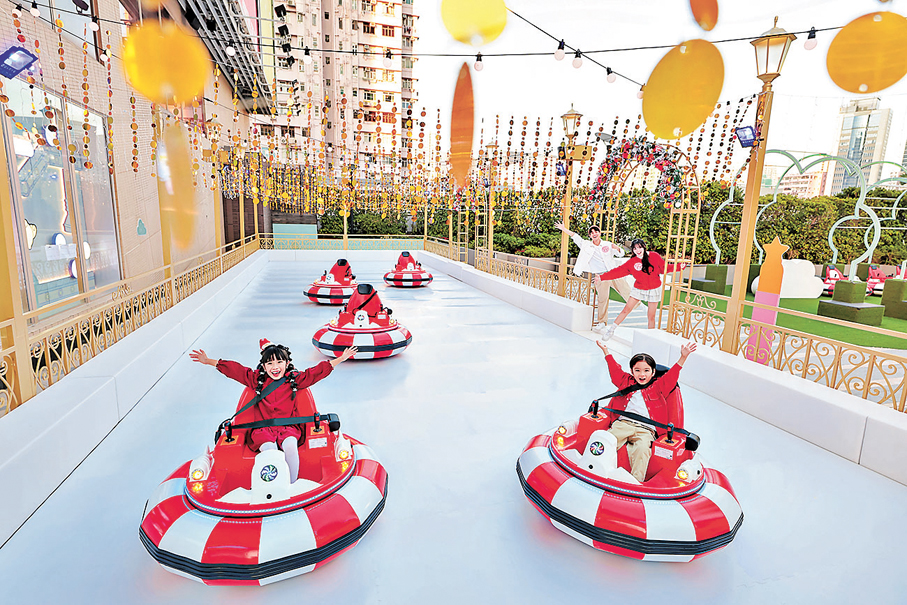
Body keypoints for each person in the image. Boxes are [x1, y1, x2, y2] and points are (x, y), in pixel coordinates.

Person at [190, 339, 358, 484]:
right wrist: (209, 361)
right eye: (270, 363)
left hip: (288, 428)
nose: (275, 367)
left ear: (286, 364)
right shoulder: (257, 380)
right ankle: (270, 485)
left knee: (290, 447)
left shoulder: (294, 380)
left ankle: (292, 484)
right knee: (269, 450)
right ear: (263, 366)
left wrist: (340, 359)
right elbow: (236, 370)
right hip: (263, 430)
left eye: (279, 362)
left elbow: (315, 373)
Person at [596, 339, 697, 482]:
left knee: (643, 450)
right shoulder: (626, 381)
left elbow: (672, 376)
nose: (641, 374)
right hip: (623, 424)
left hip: (646, 430)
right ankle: (596, 468)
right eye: (637, 370)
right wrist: (606, 352)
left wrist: (683, 357)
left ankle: (634, 482)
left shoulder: (658, 386)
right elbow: (614, 370)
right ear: (632, 371)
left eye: (646, 370)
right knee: (606, 440)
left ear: (653, 372)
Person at [554, 222, 631, 333]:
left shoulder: (607, 244)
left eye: (596, 231)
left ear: (600, 233)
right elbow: (575, 236)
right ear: (590, 236)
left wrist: (618, 249)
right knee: (602, 299)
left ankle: (638, 304)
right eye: (592, 232)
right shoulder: (586, 245)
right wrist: (564, 229)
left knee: (625, 288)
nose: (594, 234)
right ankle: (601, 322)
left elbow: (621, 254)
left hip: (612, 272)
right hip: (600, 276)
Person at [596, 238, 665, 340]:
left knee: (651, 316)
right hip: (639, 288)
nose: (638, 250)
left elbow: (664, 268)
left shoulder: (653, 256)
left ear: (644, 247)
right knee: (626, 310)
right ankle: (611, 330)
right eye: (635, 248)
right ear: (633, 250)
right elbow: (618, 271)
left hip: (654, 288)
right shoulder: (632, 262)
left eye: (640, 247)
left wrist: (679, 267)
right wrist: (602, 277)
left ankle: (651, 338)